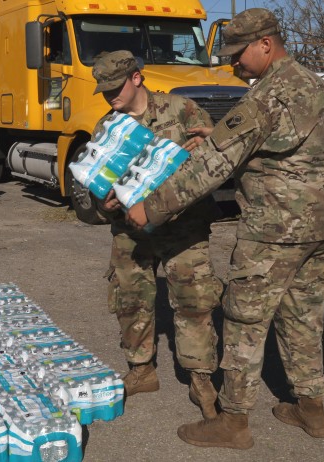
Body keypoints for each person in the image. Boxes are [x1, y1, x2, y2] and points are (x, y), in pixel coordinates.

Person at [125, 9, 324, 449]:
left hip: (275, 228)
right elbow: (282, 149)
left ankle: (234, 421)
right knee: (304, 318)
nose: (232, 64)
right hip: (322, 224)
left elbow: (213, 165)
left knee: (245, 320)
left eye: (238, 53)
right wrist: (219, 133)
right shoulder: (312, 84)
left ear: (266, 44)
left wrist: (152, 208)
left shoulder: (265, 96)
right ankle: (311, 408)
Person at [89, 50, 224, 420]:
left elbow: (213, 164)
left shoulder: (182, 110)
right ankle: (141, 369)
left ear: (136, 77)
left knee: (193, 301)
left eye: (115, 86)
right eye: (103, 89)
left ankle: (200, 377)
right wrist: (105, 203)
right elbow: (96, 185)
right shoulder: (107, 127)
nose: (109, 95)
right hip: (132, 233)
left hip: (184, 227)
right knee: (130, 298)